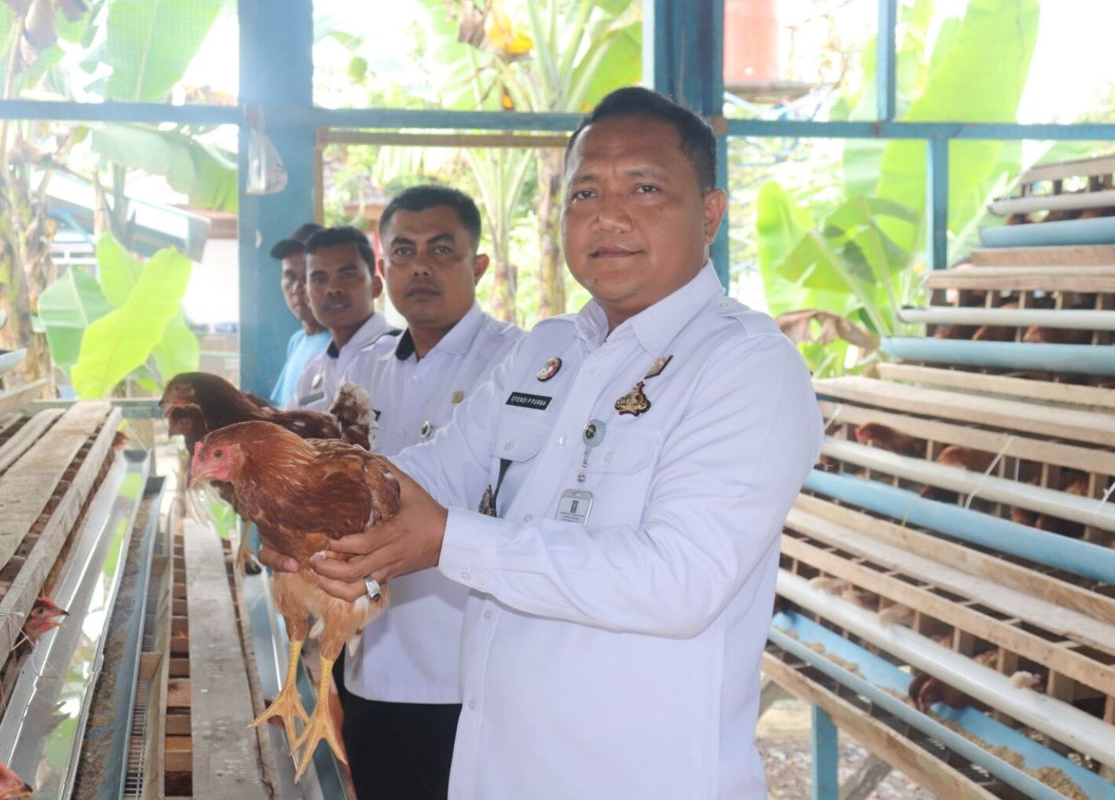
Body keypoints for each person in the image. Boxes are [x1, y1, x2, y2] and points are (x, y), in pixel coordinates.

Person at [265, 86, 823, 798]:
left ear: (709, 213)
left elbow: (681, 578)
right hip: (498, 763)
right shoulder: (551, 352)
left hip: (636, 777)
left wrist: (449, 543)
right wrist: (312, 513)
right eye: (585, 192)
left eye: (645, 188)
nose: (609, 215)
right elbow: (436, 472)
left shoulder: (746, 365)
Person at [333, 185, 523, 800]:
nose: (420, 266)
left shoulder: (517, 367)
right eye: (404, 251)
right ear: (383, 270)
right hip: (371, 663)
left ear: (479, 265)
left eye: (442, 249)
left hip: (469, 674)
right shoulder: (364, 368)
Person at [292, 226, 396, 411]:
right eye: (319, 279)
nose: (333, 289)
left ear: (376, 287)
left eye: (347, 275)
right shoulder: (312, 372)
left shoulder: (403, 356)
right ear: (307, 296)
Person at [267, 223, 331, 408]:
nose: (297, 288)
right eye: (290, 276)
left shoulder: (339, 348)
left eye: (309, 277)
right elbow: (283, 411)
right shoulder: (297, 341)